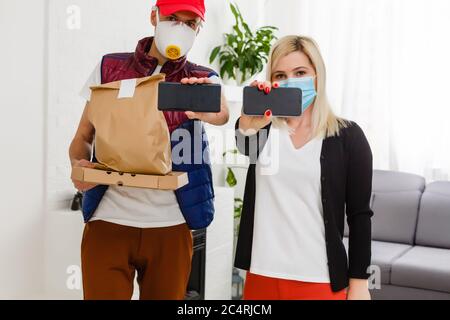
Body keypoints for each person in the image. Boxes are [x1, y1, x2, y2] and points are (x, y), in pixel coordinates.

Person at [69, 0, 229, 300]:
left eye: (190, 23)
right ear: (154, 16)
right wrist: (79, 165)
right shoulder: (109, 68)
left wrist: (210, 110)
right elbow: (83, 136)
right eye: (172, 18)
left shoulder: (202, 78)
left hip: (171, 225)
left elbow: (221, 114)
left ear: (198, 29)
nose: (180, 28)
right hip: (109, 220)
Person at [234, 35, 373, 300]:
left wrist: (359, 284)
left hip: (318, 280)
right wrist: (247, 123)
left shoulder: (349, 137)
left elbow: (360, 216)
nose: (290, 81)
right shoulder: (263, 129)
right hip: (262, 276)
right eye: (280, 75)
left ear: (317, 76)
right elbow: (242, 144)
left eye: (300, 72)